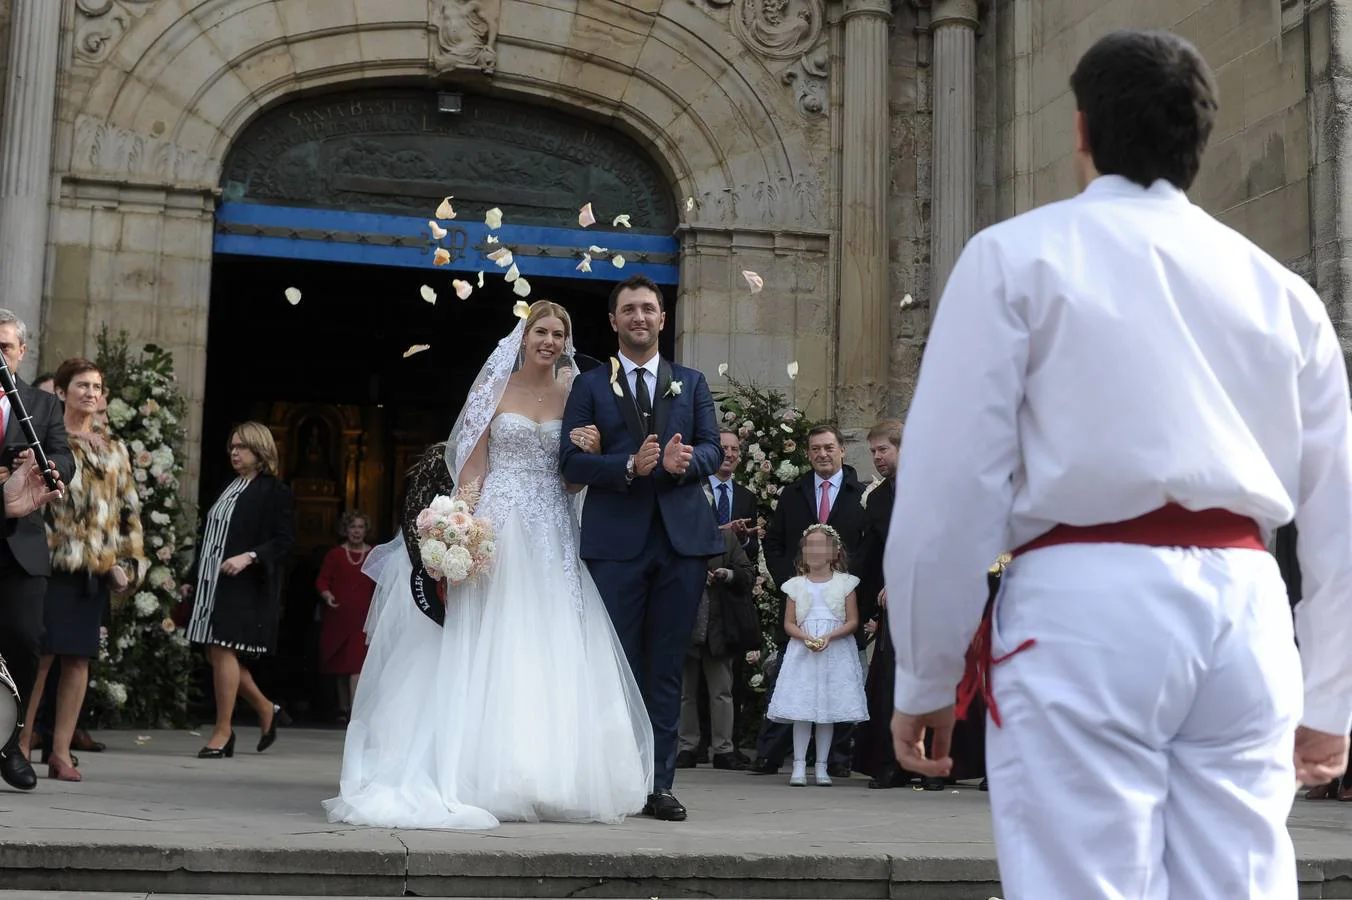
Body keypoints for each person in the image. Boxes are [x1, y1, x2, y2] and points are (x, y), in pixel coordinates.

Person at [884, 29, 1352, 900]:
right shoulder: (1283, 292)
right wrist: (1332, 696)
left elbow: (952, 490)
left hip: (1085, 605)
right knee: (1239, 884)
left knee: (1081, 881)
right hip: (1246, 613)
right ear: (1198, 144)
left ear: (1082, 131)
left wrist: (927, 671)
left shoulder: (1014, 257)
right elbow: (1338, 515)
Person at [325, 300, 653, 829]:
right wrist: (459, 527)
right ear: (523, 338)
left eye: (559, 333)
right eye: (541, 331)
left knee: (551, 638)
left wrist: (589, 449)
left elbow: (572, 478)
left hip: (552, 527)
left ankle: (551, 776)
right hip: (498, 523)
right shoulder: (492, 391)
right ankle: (479, 771)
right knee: (493, 636)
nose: (549, 340)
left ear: (567, 341)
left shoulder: (577, 393)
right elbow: (473, 466)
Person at [560, 274, 725, 822]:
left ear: (662, 319)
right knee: (615, 666)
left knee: (666, 667)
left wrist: (686, 464)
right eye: (628, 309)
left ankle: (659, 786)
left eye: (648, 308)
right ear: (612, 321)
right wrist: (628, 465)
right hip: (615, 544)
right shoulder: (587, 385)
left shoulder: (692, 382)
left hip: (681, 542)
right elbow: (570, 462)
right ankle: (613, 782)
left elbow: (711, 449)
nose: (639, 317)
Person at [17, 360, 145, 782]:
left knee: (77, 660)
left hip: (93, 571)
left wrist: (125, 564)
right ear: (62, 391)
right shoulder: (48, 440)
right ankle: (17, 744)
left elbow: (128, 511)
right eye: (82, 385)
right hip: (48, 563)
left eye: (97, 386)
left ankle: (61, 752)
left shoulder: (113, 449)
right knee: (39, 658)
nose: (91, 393)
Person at [750, 425, 866, 778]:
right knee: (791, 679)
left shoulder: (860, 494)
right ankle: (771, 753)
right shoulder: (793, 493)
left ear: (842, 450)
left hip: (843, 597)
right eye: (815, 448)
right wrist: (796, 580)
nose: (822, 454)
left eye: (829, 447)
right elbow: (773, 541)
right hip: (802, 602)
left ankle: (836, 760)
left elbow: (870, 544)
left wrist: (843, 582)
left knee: (841, 679)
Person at [186, 422, 295, 759]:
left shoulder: (275, 491)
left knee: (222, 649)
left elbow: (285, 541)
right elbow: (211, 539)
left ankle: (223, 730)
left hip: (244, 584)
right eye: (232, 447)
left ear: (260, 451)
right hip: (211, 583)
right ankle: (266, 708)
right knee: (214, 652)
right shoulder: (228, 487)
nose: (234, 453)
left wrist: (250, 557)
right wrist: (192, 575)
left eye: (242, 447)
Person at [0, 309, 74, 792]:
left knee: (26, 641)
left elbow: (63, 456)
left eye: (4, 348)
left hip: (19, 547)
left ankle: (9, 743)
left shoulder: (41, 406)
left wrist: (46, 467)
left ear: (21, 352)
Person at [765, 524, 865, 786]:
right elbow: (788, 623)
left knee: (826, 711)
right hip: (804, 652)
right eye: (810, 546)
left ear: (834, 552)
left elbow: (853, 620)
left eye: (821, 546)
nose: (815, 551)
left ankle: (821, 766)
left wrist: (830, 636)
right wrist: (805, 637)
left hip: (834, 652)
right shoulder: (796, 585)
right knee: (803, 709)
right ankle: (798, 765)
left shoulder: (846, 584)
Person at [676, 504, 758, 771]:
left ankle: (723, 749)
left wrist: (727, 574)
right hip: (685, 625)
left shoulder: (726, 539)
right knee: (684, 693)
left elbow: (747, 573)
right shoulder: (677, 536)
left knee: (721, 691)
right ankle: (686, 747)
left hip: (719, 626)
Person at [316, 510, 376, 723]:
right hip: (339, 617)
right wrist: (327, 595)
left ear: (365, 530)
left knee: (355, 667)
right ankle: (343, 708)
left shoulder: (374, 554)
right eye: (353, 527)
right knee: (340, 668)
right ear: (346, 530)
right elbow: (322, 580)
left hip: (363, 619)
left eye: (360, 527)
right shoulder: (335, 555)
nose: (357, 531)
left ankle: (354, 712)